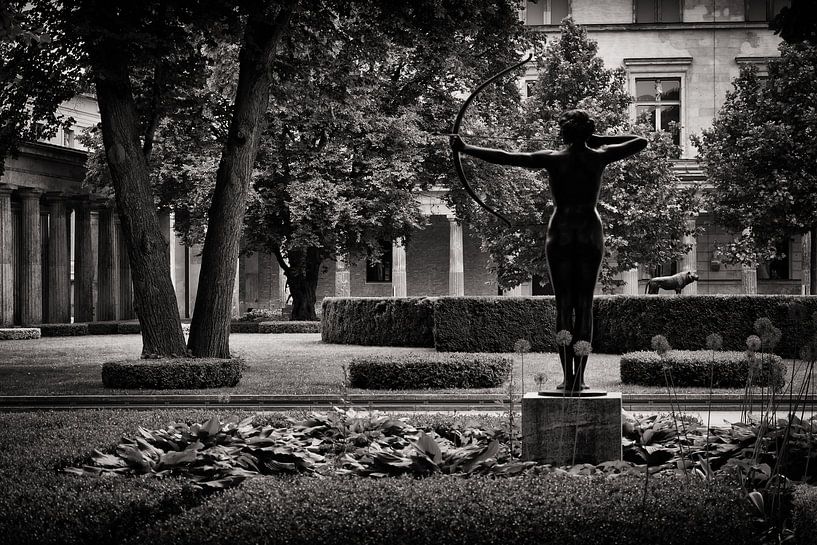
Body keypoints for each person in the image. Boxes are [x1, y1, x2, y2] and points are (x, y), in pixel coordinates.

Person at [450, 109, 647, 392]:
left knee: (564, 306)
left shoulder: (555, 159)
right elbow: (640, 140)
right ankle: (579, 379)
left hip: (562, 232)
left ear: (565, 132)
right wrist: (597, 138)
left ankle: (568, 378)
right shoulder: (599, 155)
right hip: (590, 232)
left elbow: (507, 158)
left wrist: (466, 148)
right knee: (585, 305)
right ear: (587, 131)